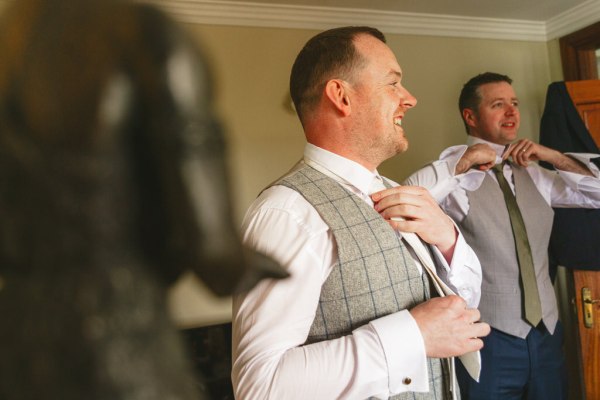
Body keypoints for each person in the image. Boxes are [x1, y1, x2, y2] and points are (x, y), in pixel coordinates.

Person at [231, 26, 490, 400]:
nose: (410, 99)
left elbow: (458, 308)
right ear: (341, 96)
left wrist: (448, 241)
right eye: (393, 83)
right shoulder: (286, 213)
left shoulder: (394, 191)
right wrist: (412, 337)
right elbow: (260, 386)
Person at [404, 72, 600, 399]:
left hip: (547, 334)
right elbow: (408, 197)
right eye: (498, 104)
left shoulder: (537, 175)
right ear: (470, 116)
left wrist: (550, 155)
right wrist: (463, 163)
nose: (512, 112)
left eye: (515, 104)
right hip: (486, 339)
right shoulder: (452, 174)